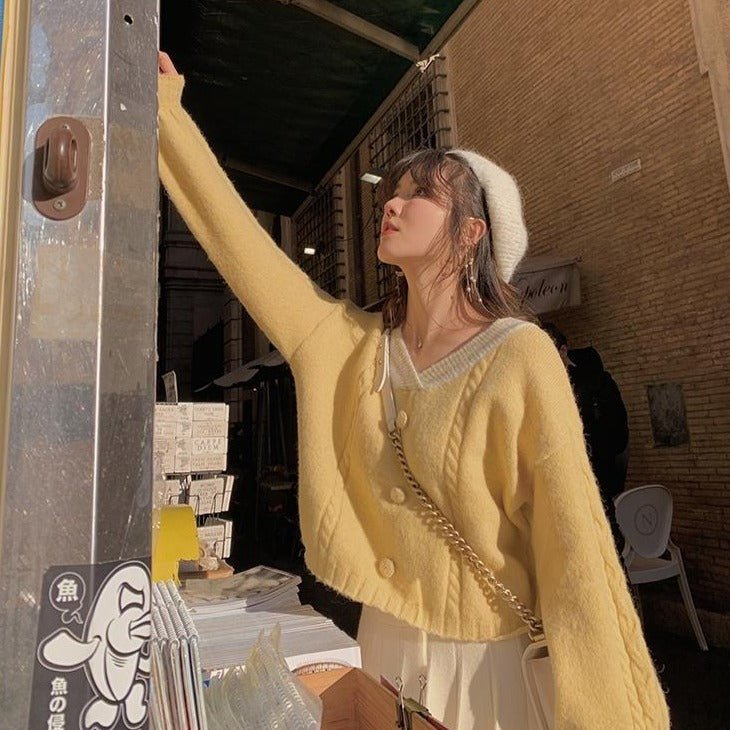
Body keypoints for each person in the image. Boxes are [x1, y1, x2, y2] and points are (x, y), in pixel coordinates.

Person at [158, 52, 669, 729]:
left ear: (471, 233)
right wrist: (165, 116)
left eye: (419, 194)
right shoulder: (346, 345)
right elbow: (243, 250)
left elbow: (574, 547)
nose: (391, 203)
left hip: (490, 676)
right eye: (391, 192)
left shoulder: (518, 355)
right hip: (382, 651)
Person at [542, 323, 630, 544]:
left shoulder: (596, 382)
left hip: (596, 478)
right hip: (565, 485)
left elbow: (619, 434)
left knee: (605, 541)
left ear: (563, 350)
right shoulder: (545, 384)